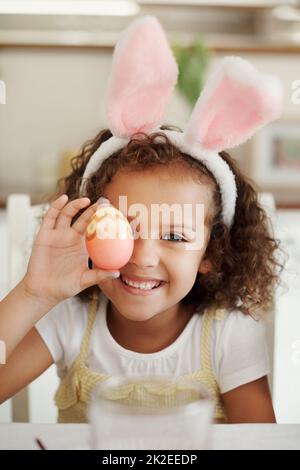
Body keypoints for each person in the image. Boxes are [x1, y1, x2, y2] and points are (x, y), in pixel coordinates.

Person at [0, 16, 284, 424]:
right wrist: (33, 295)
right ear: (87, 228)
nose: (143, 256)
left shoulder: (227, 334)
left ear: (210, 253)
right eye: (123, 228)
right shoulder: (69, 319)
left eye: (173, 234)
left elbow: (260, 443)